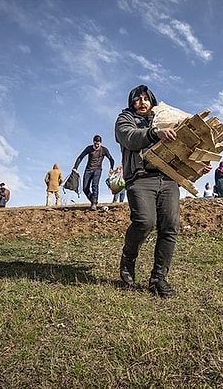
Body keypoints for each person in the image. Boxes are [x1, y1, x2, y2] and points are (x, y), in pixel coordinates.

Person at [115, 84, 212, 298]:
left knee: (170, 227)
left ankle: (158, 278)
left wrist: (196, 164)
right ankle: (128, 257)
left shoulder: (165, 119)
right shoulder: (125, 120)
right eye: (137, 99)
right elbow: (130, 138)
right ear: (132, 103)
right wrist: (155, 133)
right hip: (141, 178)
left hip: (169, 179)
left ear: (152, 101)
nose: (142, 102)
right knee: (145, 221)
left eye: (146, 98)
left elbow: (181, 150)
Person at [73, 135, 115, 210]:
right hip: (88, 170)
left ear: (100, 143)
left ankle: (94, 203)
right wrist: (75, 167)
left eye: (98, 144)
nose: (96, 145)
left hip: (97, 170)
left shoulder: (104, 150)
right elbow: (80, 157)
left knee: (94, 185)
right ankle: (93, 200)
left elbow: (111, 159)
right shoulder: (89, 148)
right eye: (95, 144)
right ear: (93, 142)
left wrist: (111, 168)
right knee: (85, 188)